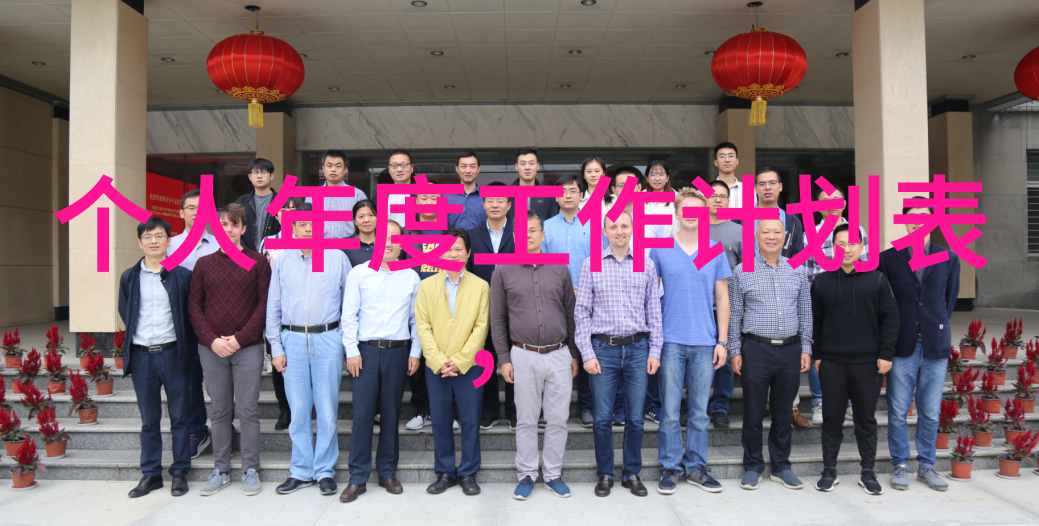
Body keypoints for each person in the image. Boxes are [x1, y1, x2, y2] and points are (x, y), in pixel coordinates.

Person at [490, 210, 578, 501]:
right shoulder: (503, 270)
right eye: (522, 231)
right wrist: (504, 358)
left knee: (558, 419)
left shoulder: (560, 268)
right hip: (523, 355)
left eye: (533, 230)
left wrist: (573, 353)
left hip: (559, 353)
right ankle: (527, 473)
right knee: (526, 419)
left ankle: (553, 474)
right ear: (515, 237)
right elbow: (497, 319)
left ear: (543, 235)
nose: (528, 235)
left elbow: (570, 313)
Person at [575, 209, 662, 498]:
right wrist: (587, 353)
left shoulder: (646, 265)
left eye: (624, 226)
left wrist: (655, 350)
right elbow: (581, 312)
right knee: (602, 418)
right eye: (613, 227)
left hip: (638, 349)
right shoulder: (591, 264)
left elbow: (654, 312)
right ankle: (605, 473)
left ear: (632, 229)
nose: (619, 231)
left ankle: (632, 473)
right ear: (605, 232)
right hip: (603, 350)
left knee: (635, 417)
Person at [650, 189, 731, 495]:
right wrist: (654, 340)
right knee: (670, 411)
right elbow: (650, 296)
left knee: (699, 411)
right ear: (677, 212)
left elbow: (722, 297)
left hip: (705, 341)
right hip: (670, 340)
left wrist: (722, 341)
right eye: (686, 209)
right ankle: (670, 468)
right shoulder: (660, 249)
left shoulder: (714, 250)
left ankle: (696, 467)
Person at [188, 203, 271, 497]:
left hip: (247, 347)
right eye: (223, 224)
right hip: (211, 349)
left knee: (248, 409)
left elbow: (264, 305)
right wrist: (212, 340)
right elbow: (194, 308)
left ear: (243, 229)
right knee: (220, 410)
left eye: (234, 224)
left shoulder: (258, 262)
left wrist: (239, 339)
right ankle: (221, 470)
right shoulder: (204, 264)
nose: (229, 229)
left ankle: (251, 469)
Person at [266, 204, 348, 497]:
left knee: (327, 410)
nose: (309, 229)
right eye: (302, 224)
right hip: (293, 341)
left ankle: (324, 470)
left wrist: (343, 342)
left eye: (313, 223)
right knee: (298, 410)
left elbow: (349, 305)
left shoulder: (338, 258)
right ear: (293, 228)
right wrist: (276, 347)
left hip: (328, 339)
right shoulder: (283, 261)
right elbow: (273, 307)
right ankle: (301, 470)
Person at [878, 199, 959, 493]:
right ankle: (900, 464)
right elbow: (883, 304)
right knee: (899, 410)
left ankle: (927, 466)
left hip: (935, 345)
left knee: (930, 412)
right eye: (912, 216)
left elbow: (948, 300)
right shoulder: (888, 258)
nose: (918, 221)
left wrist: (932, 324)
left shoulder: (948, 256)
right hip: (903, 346)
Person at [812, 224, 899, 495]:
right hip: (832, 363)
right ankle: (829, 471)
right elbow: (815, 322)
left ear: (862, 247)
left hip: (868, 363)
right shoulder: (822, 282)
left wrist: (885, 354)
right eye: (840, 244)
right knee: (832, 419)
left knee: (865, 420)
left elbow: (890, 318)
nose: (846, 249)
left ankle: (868, 472)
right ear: (832, 247)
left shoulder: (877, 279)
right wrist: (818, 355)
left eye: (852, 243)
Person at [339, 220, 422, 503]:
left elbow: (416, 319)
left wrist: (415, 352)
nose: (388, 244)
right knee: (362, 415)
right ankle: (357, 477)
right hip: (365, 352)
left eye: (395, 239)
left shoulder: (411, 276)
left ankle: (387, 471)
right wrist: (351, 350)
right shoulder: (359, 274)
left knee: (391, 413)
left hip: (398, 352)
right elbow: (348, 315)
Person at [728, 219, 813, 492]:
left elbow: (806, 312)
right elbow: (734, 314)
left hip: (790, 350)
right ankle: (753, 467)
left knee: (782, 412)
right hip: (756, 349)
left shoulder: (797, 269)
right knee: (753, 413)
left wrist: (806, 347)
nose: (771, 236)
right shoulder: (742, 271)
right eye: (766, 232)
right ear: (756, 236)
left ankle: (781, 466)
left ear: (784, 237)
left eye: (777, 232)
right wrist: (734, 350)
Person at [119, 217, 196, 498]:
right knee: (148, 419)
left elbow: (189, 316)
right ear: (140, 242)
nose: (154, 241)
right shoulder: (129, 277)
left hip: (173, 354)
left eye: (159, 236)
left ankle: (179, 472)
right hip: (142, 356)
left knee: (180, 417)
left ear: (168, 241)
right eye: (148, 237)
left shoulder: (182, 276)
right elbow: (125, 310)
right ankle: (151, 474)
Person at [415, 229, 489, 496]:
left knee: (470, 420)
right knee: (440, 420)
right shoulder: (426, 286)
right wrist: (438, 360)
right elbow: (423, 327)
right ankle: (445, 471)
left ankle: (468, 472)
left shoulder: (481, 286)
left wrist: (460, 361)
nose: (453, 254)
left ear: (468, 253)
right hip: (437, 367)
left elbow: (481, 328)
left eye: (459, 249)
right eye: (448, 249)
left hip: (470, 366)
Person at [753, 167, 812, 429]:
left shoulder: (792, 221)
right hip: (754, 289)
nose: (767, 187)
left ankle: (791, 407)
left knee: (787, 347)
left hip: (784, 288)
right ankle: (762, 404)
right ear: (755, 188)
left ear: (780, 187)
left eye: (772, 183)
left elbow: (798, 255)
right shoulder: (743, 219)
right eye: (762, 183)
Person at [804, 186, 869, 426]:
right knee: (818, 350)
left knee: (851, 350)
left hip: (854, 303)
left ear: (844, 203)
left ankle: (849, 403)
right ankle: (820, 401)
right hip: (823, 303)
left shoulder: (859, 231)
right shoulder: (809, 234)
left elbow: (867, 266)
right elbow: (807, 274)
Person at [167, 189, 217, 458]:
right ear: (181, 212)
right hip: (182, 324)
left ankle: (224, 430)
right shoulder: (169, 245)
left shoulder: (221, 243)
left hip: (217, 323)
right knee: (190, 380)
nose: (197, 212)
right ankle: (197, 430)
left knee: (220, 383)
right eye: (191, 208)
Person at [540, 173, 593, 428]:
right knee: (551, 351)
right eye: (563, 191)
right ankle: (547, 408)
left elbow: (600, 262)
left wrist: (584, 288)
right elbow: (541, 263)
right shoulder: (546, 227)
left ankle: (586, 406)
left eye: (573, 191)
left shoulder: (596, 224)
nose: (568, 195)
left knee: (585, 351)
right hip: (554, 300)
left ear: (582, 195)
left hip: (588, 299)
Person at [467, 182, 517, 430]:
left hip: (516, 307)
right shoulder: (471, 235)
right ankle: (489, 411)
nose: (495, 205)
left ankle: (514, 411)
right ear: (483, 204)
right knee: (485, 357)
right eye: (490, 200)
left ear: (509, 205)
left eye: (500, 201)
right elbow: (467, 272)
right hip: (482, 307)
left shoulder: (520, 233)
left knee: (514, 358)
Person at [399, 192, 443, 431]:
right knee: (418, 360)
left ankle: (444, 411)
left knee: (443, 359)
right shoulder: (407, 234)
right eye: (424, 199)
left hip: (445, 307)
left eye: (434, 199)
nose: (429, 203)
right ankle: (422, 411)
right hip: (415, 308)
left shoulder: (449, 232)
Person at [261, 197, 304, 431]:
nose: (288, 212)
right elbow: (262, 274)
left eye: (293, 209)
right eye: (283, 209)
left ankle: (303, 409)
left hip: (304, 311)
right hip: (277, 309)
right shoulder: (268, 242)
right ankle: (285, 409)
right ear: (276, 215)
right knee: (280, 361)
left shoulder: (309, 239)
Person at [706, 180, 742, 429]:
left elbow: (746, 271)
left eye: (723, 196)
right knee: (695, 359)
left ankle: (720, 407)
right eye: (713, 195)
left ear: (729, 201)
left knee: (725, 359)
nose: (717, 199)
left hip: (727, 305)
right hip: (698, 305)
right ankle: (693, 405)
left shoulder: (739, 231)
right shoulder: (692, 228)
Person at [307, 149, 368, 239]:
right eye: (329, 166)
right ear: (323, 168)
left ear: (345, 169)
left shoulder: (358, 195)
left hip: (349, 245)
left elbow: (365, 224)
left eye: (338, 166)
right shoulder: (311, 196)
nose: (333, 169)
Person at [236, 158, 281, 252]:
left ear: (272, 176)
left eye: (264, 172)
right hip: (246, 254)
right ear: (249, 177)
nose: (259, 176)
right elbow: (236, 228)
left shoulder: (280, 201)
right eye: (255, 172)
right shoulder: (242, 202)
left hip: (275, 254)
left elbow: (288, 229)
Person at [510, 146, 559, 221]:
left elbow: (554, 223)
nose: (527, 167)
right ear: (516, 167)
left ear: (537, 166)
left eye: (531, 163)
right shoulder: (505, 195)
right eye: (523, 164)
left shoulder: (550, 195)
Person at [447, 151, 487, 231]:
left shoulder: (487, 198)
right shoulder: (446, 196)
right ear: (457, 169)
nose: (468, 171)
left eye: (472, 166)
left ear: (478, 169)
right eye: (464, 166)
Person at [713, 142, 755, 209]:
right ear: (716, 162)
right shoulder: (705, 188)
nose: (727, 160)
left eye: (731, 156)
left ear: (737, 161)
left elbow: (752, 214)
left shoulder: (748, 189)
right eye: (722, 156)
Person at [644, 160, 678, 236]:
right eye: (653, 175)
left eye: (661, 174)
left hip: (670, 242)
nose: (657, 178)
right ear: (647, 178)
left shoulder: (678, 199)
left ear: (667, 178)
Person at [385, 149, 416, 229]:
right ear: (389, 169)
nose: (399, 170)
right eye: (394, 166)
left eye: (404, 165)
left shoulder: (424, 192)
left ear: (412, 168)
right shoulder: (380, 195)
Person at [344, 199, 378, 267]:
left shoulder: (387, 243)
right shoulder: (345, 245)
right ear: (355, 221)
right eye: (361, 217)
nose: (366, 220)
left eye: (371, 215)